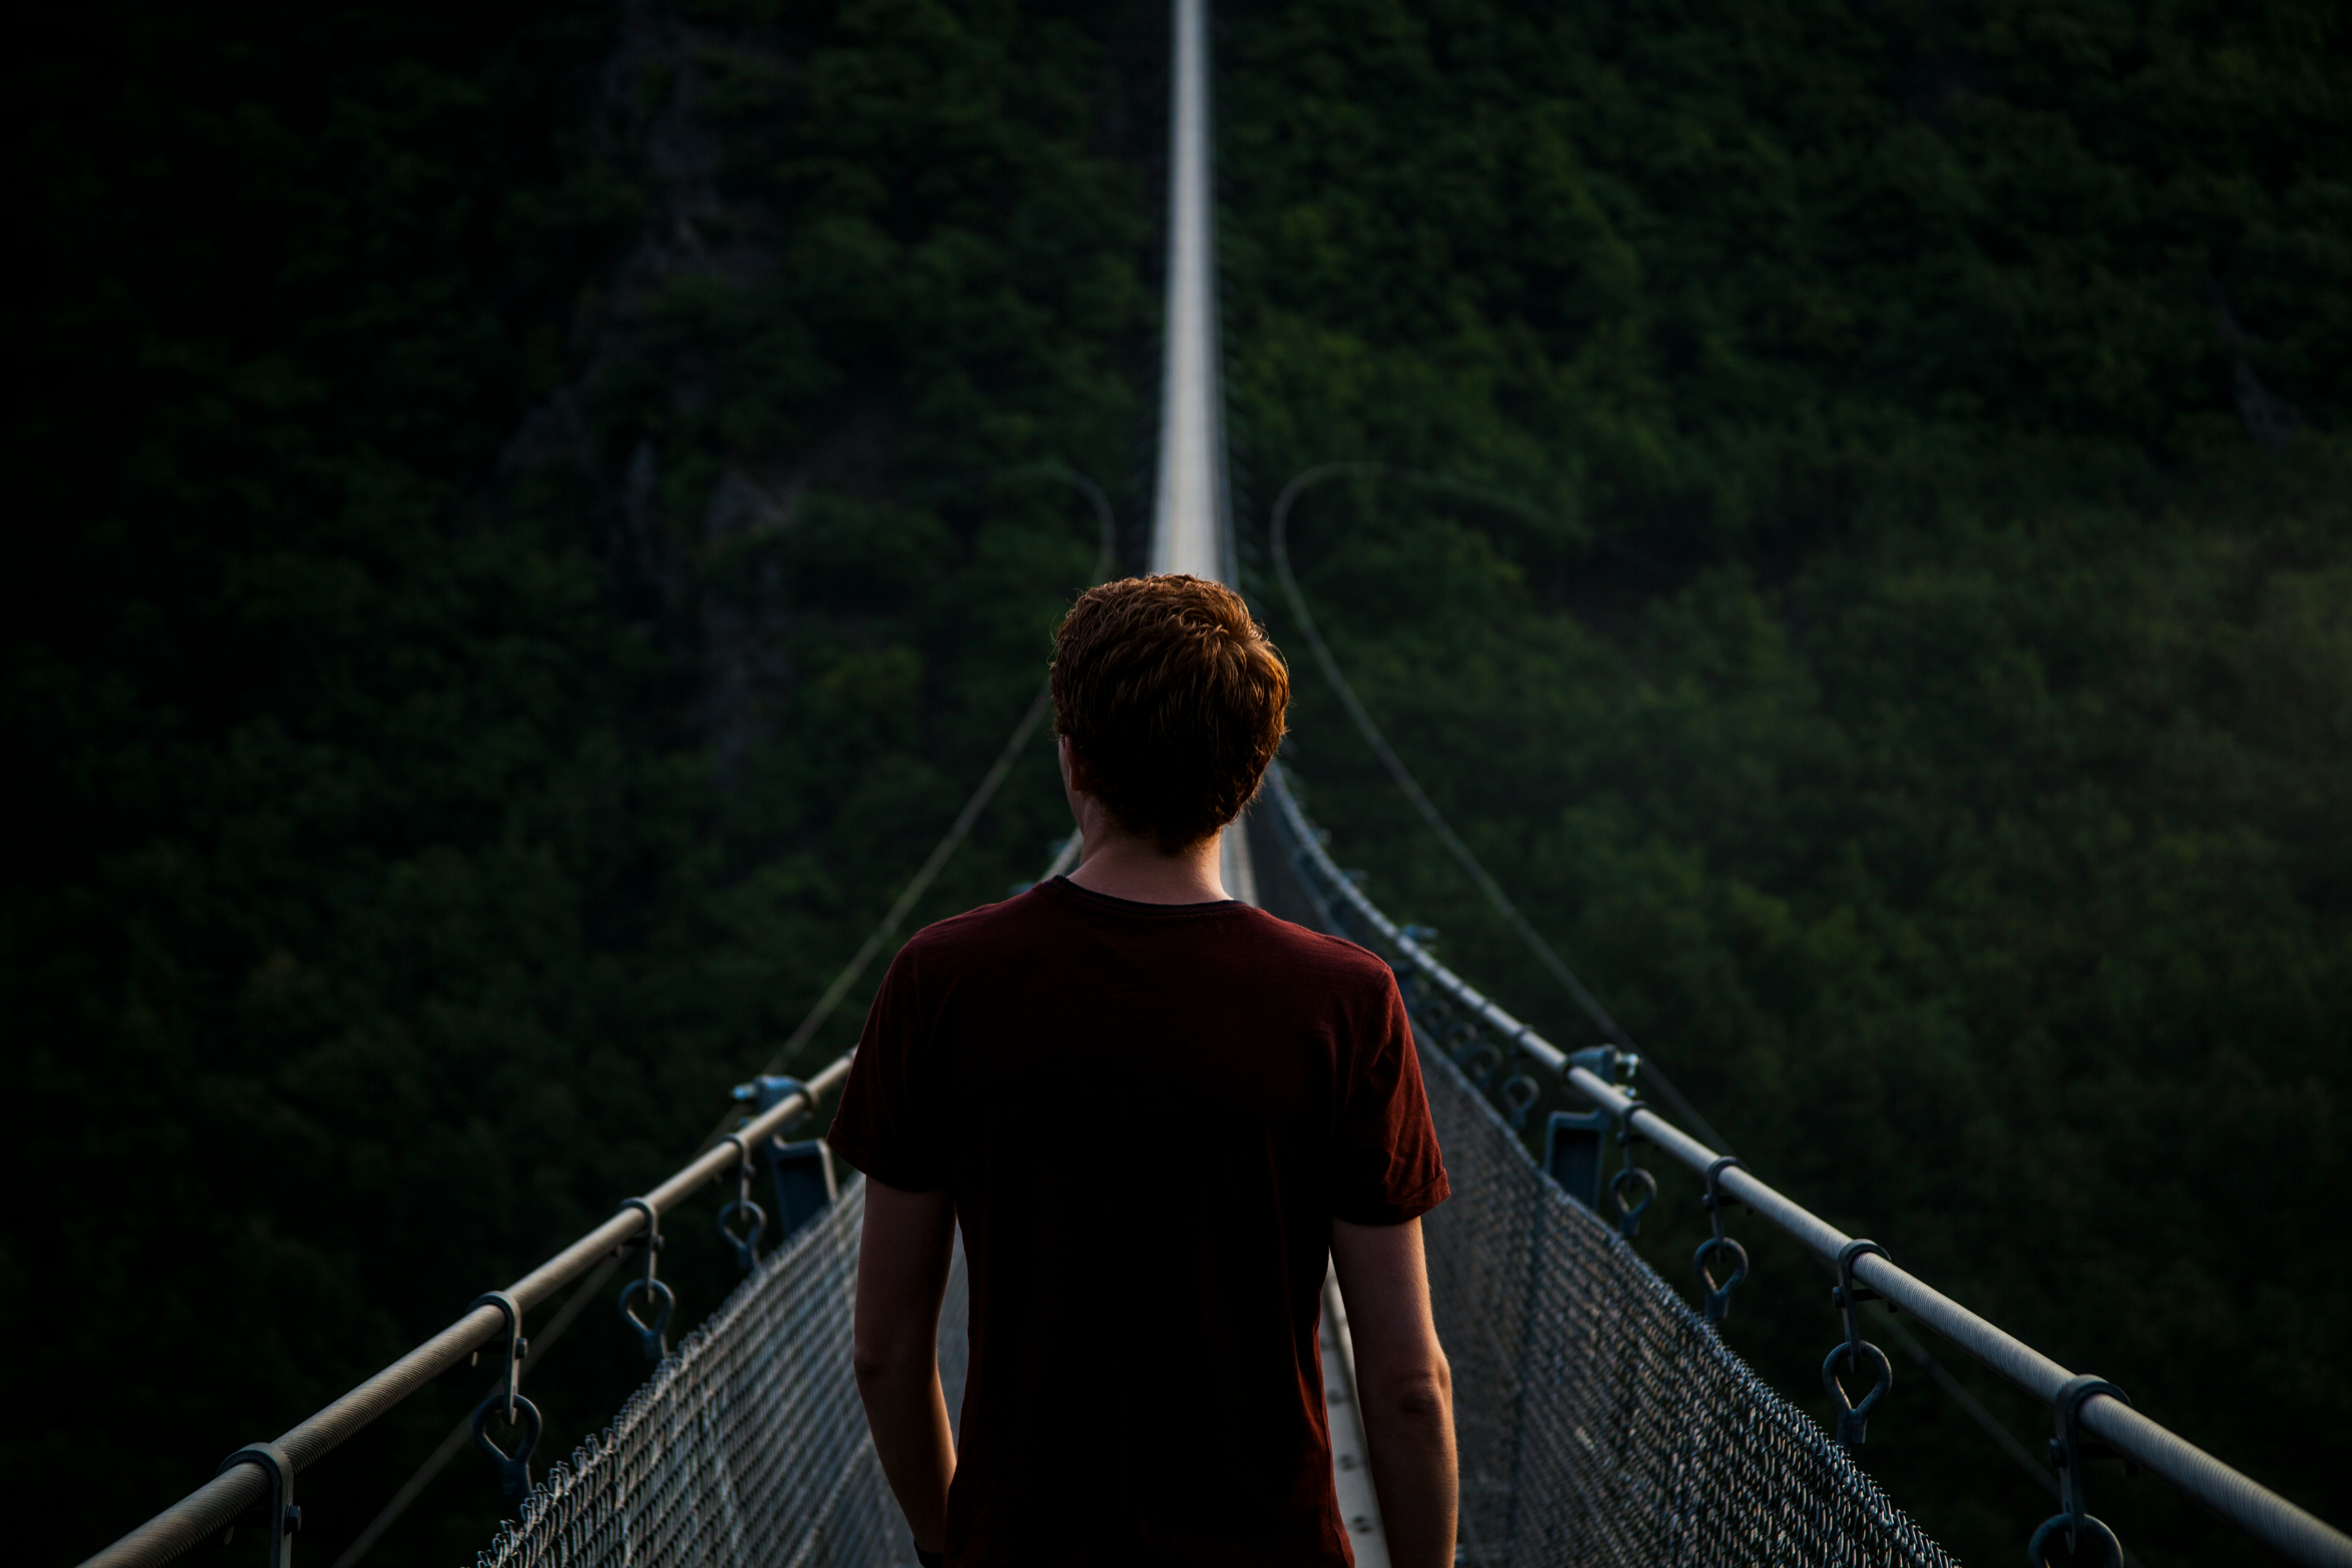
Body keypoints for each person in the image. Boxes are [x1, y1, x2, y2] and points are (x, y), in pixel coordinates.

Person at [826, 573, 1456, 1568]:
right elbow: (1408, 1382)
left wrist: (955, 1541)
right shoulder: (1347, 1002)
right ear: (1252, 776)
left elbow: (885, 1351)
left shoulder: (939, 982)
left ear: (1072, 757)